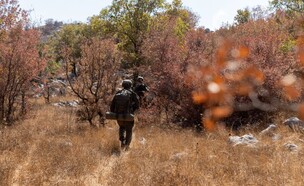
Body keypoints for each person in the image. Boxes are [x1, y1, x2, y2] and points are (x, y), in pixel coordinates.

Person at [110, 79, 139, 150]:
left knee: (121, 127)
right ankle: (126, 146)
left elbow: (112, 105)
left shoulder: (118, 93)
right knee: (129, 130)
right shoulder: (132, 93)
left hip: (118, 116)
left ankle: (122, 140)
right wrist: (132, 111)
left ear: (123, 85)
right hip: (128, 115)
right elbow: (137, 104)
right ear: (130, 85)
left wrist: (115, 113)